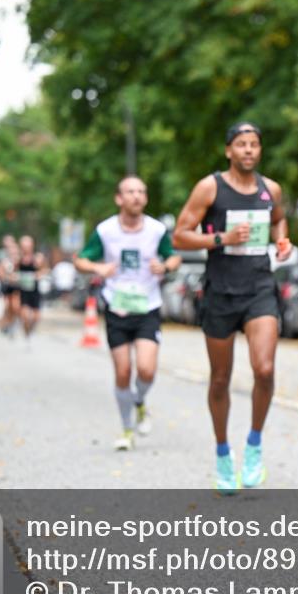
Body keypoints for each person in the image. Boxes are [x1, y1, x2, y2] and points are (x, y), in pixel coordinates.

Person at [173, 122, 293, 494]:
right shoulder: (210, 187)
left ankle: (254, 445)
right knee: (221, 378)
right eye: (241, 144)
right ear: (229, 150)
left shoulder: (270, 189)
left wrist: (282, 241)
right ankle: (223, 453)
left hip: (259, 287)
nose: (248, 150)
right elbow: (179, 234)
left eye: (254, 144)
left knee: (265, 368)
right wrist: (221, 238)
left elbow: (279, 221)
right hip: (221, 291)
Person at [75, 176, 181, 451]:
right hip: (117, 307)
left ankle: (139, 400)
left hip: (147, 306)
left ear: (145, 198)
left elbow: (174, 256)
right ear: (119, 198)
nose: (136, 196)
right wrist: (98, 268)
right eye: (130, 192)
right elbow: (80, 259)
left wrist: (165, 267)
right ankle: (127, 429)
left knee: (146, 369)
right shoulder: (106, 230)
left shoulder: (156, 230)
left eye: (141, 192)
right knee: (123, 372)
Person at [16, 235, 47, 346]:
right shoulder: (18, 259)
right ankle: (26, 332)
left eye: (27, 246)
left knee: (36, 316)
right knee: (24, 315)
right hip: (24, 291)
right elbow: (13, 272)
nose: (25, 248)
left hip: (35, 291)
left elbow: (45, 270)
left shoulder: (38, 258)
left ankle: (31, 330)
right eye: (23, 246)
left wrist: (37, 275)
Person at [0, 235, 21, 336]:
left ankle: (12, 322)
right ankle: (7, 323)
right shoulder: (4, 260)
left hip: (17, 286)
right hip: (7, 286)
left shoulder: (20, 260)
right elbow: (0, 272)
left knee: (16, 305)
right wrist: (7, 277)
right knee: (8, 305)